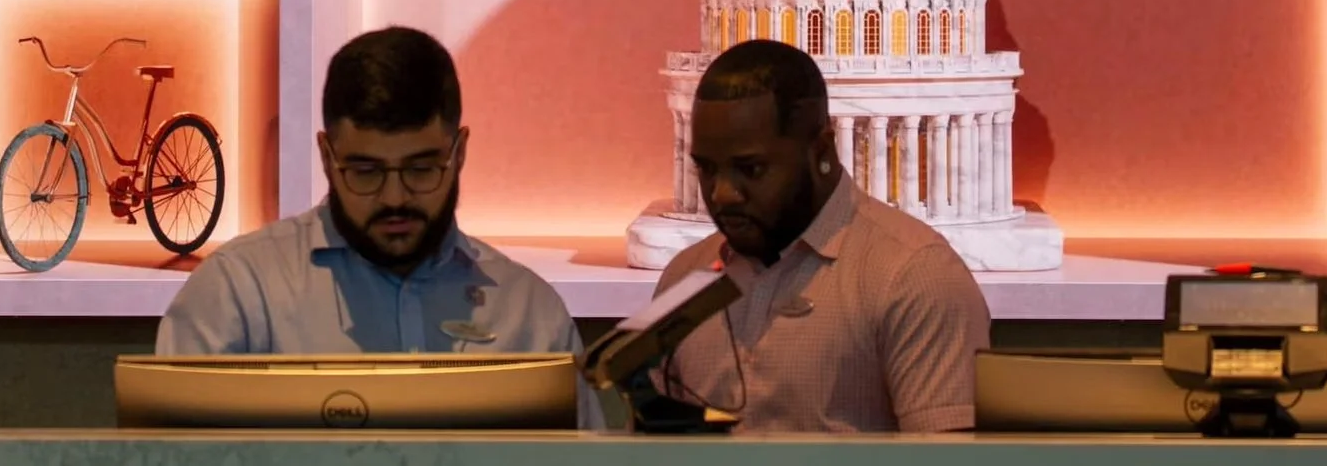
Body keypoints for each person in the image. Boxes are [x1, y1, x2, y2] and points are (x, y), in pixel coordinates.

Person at [158, 25, 580, 359]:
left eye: (420, 169)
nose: (394, 197)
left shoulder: (530, 314)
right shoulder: (238, 294)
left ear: (461, 152)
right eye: (365, 171)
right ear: (326, 157)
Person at [650, 39, 990, 432]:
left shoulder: (916, 276)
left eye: (751, 169)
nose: (722, 193)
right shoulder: (682, 279)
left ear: (821, 151)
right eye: (707, 169)